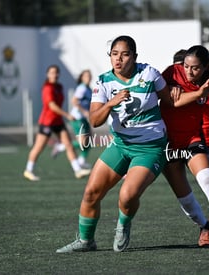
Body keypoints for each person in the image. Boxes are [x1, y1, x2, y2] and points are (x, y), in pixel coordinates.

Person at [56, 35, 171, 253]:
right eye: (114, 54)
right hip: (120, 145)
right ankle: (86, 241)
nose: (118, 59)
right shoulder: (103, 81)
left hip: (150, 148)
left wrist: (196, 94)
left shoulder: (149, 74)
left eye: (125, 54)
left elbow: (171, 100)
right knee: (91, 193)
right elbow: (95, 120)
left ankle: (123, 224)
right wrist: (111, 102)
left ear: (134, 56)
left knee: (127, 195)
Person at [160, 45, 209, 247]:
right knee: (184, 196)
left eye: (195, 68)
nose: (188, 71)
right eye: (186, 66)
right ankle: (204, 227)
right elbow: (158, 93)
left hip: (192, 139)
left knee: (208, 178)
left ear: (205, 67)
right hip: (168, 143)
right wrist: (170, 88)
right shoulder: (172, 73)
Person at [23, 64, 91, 181]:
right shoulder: (47, 88)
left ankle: (77, 170)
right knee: (39, 147)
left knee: (68, 144)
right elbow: (52, 106)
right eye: (52, 72)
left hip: (58, 121)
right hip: (48, 121)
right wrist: (67, 115)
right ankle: (28, 170)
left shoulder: (59, 87)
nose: (55, 74)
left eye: (56, 72)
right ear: (48, 74)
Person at [52, 70, 93, 169]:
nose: (89, 77)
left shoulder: (89, 89)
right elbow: (74, 101)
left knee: (89, 140)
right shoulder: (82, 88)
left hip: (84, 118)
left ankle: (81, 161)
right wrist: (84, 111)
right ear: (82, 77)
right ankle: (61, 146)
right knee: (82, 142)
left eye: (89, 75)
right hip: (77, 118)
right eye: (86, 76)